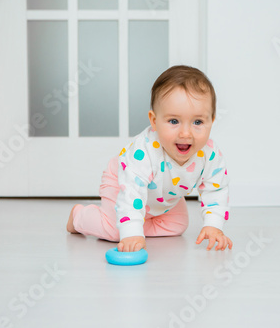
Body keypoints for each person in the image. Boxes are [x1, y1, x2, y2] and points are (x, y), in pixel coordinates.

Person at [66, 65, 232, 252]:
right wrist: (131, 233)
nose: (186, 133)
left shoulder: (210, 154)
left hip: (163, 197)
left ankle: (137, 220)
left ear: (212, 120)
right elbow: (132, 192)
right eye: (174, 121)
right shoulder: (144, 151)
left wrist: (213, 225)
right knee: (115, 231)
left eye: (198, 122)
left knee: (178, 225)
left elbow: (216, 189)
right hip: (122, 183)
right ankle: (79, 216)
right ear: (154, 121)